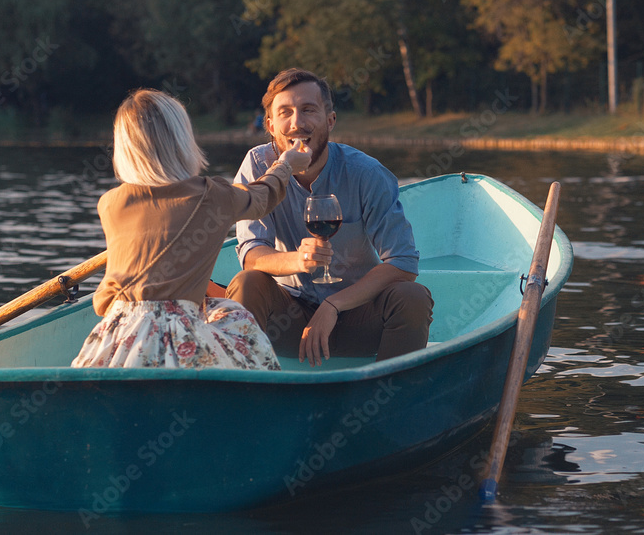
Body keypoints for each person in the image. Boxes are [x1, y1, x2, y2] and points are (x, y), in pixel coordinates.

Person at [72, 89, 311, 369]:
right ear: (182, 141)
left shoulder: (110, 204)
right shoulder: (213, 195)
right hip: (176, 336)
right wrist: (285, 165)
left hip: (117, 333)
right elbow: (261, 198)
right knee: (237, 318)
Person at [226, 68, 433, 366]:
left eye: (308, 110)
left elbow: (402, 262)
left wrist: (334, 305)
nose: (297, 123)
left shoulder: (366, 173)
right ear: (270, 125)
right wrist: (298, 260)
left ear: (330, 120)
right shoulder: (257, 166)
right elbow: (252, 255)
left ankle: (389, 395)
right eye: (285, 112)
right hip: (290, 320)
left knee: (412, 297)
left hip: (357, 315)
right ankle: (243, 391)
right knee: (247, 282)